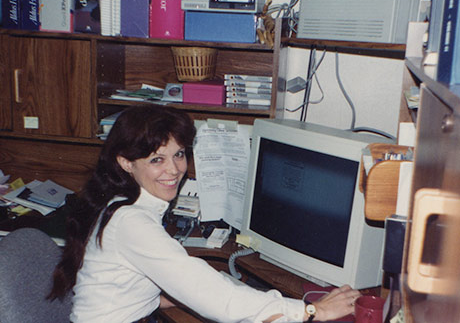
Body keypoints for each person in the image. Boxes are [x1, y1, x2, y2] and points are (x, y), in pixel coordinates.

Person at [49, 104, 361, 323]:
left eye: (179, 154)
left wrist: (173, 292)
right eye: (157, 160)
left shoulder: (122, 202)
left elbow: (125, 283)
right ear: (126, 162)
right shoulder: (131, 221)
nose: (175, 170)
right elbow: (214, 298)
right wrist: (311, 311)